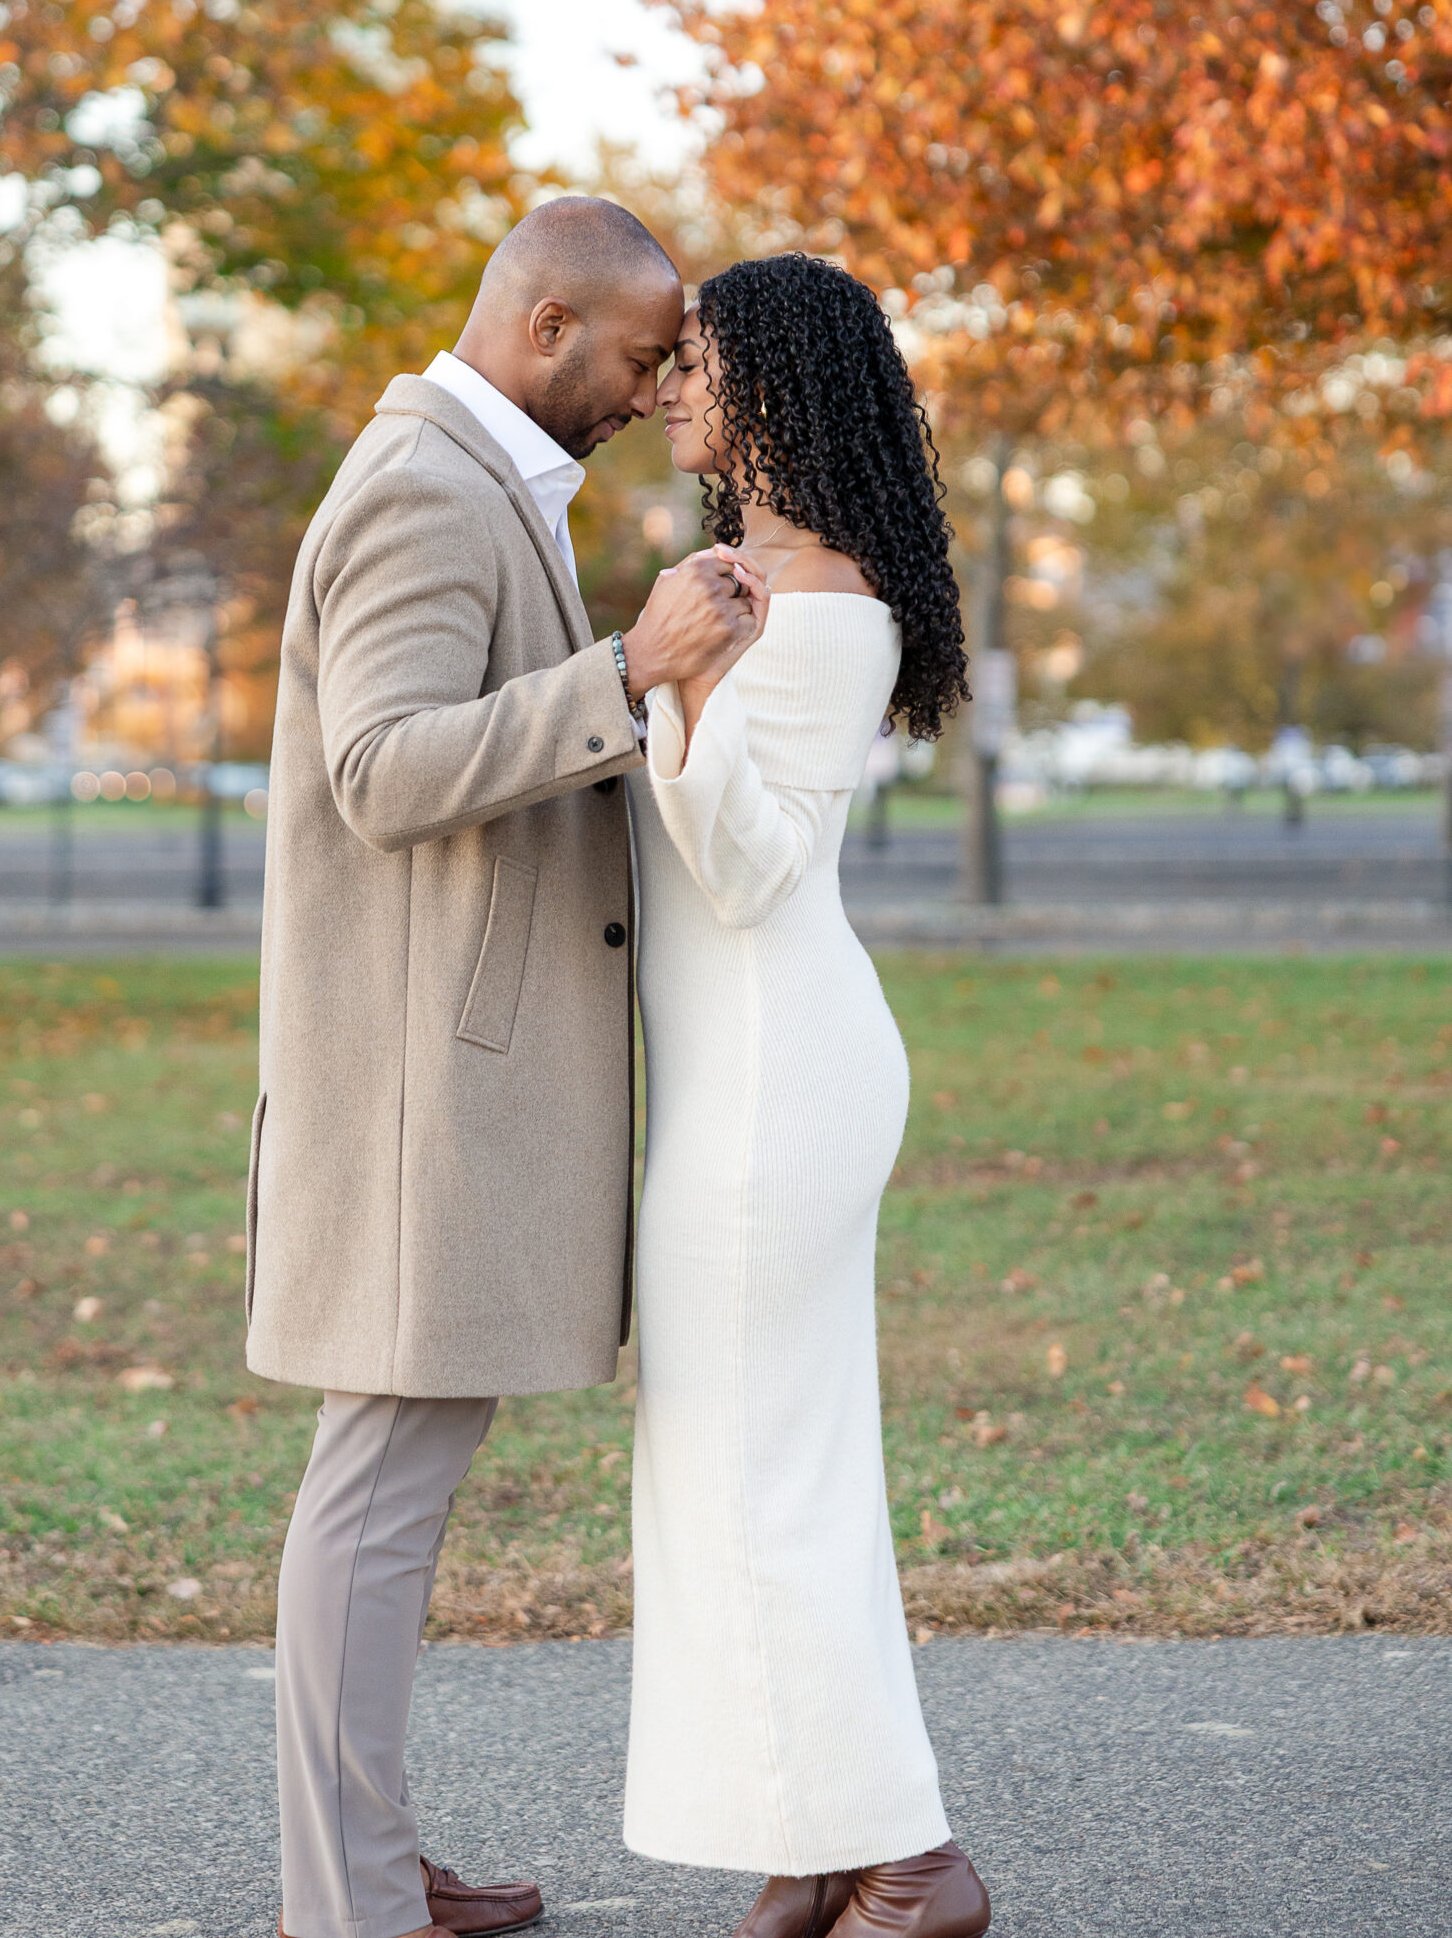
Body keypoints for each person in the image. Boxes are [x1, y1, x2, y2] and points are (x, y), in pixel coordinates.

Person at [246, 196, 766, 1938]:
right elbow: (383, 771)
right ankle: (350, 1904)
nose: (646, 392)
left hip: (443, 1084)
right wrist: (628, 669)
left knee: (396, 1480)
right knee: (379, 1488)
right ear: (546, 325)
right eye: (634, 357)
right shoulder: (421, 490)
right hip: (417, 1095)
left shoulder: (477, 484)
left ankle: (370, 1866)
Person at [624, 253, 991, 1938]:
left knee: (760, 1473)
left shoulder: (817, 601)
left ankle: (907, 1861)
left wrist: (679, 687)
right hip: (752, 1071)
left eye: (696, 364)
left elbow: (757, 869)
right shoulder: (741, 578)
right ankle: (818, 1836)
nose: (669, 387)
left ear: (777, 385)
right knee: (752, 1467)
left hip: (780, 1071)